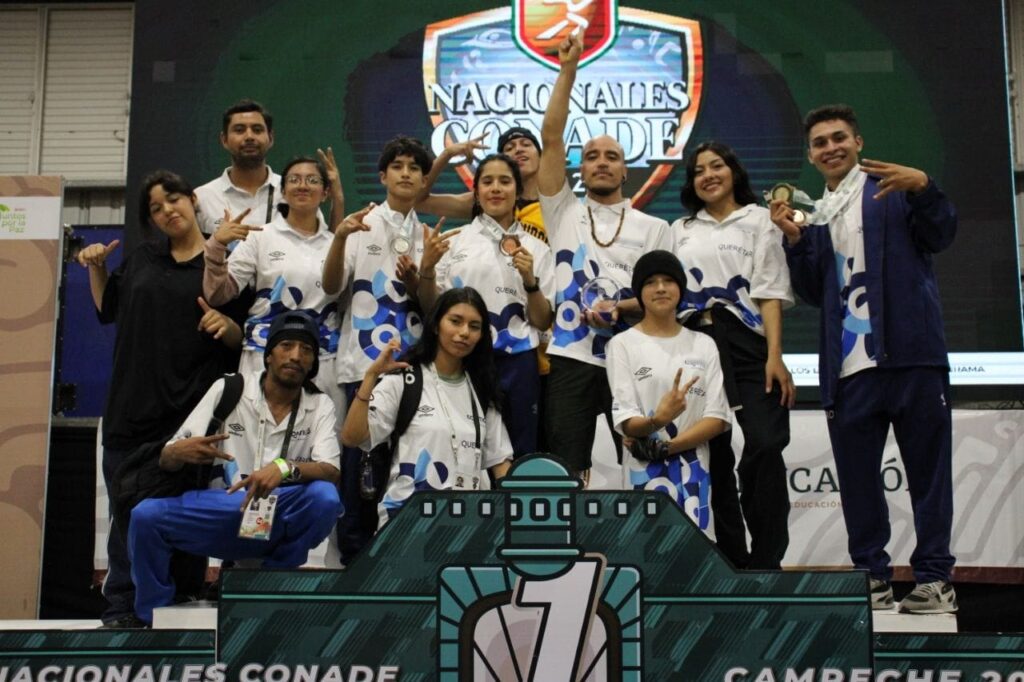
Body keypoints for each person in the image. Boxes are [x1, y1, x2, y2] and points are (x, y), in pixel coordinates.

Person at [770, 104, 957, 613]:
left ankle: (935, 578)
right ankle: (871, 576)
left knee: (928, 475)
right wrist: (795, 242)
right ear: (811, 155)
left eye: (839, 138)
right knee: (857, 483)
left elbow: (942, 235)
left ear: (858, 142)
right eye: (820, 143)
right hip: (849, 368)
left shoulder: (892, 191)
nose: (830, 148)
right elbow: (815, 292)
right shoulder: (817, 213)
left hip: (912, 358)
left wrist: (925, 188)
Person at [77, 170, 245, 627]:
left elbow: (241, 338)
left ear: (193, 200)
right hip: (130, 412)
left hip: (189, 419)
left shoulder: (223, 263)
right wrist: (96, 266)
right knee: (127, 516)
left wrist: (228, 327)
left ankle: (179, 610)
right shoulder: (142, 259)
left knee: (184, 518)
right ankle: (122, 612)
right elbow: (107, 309)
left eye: (173, 199)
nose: (168, 210)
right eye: (155, 207)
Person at [128, 312, 342, 625]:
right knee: (145, 516)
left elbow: (331, 470)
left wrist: (283, 467)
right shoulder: (230, 388)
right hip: (223, 509)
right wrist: (176, 452)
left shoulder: (319, 404)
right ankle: (152, 615)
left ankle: (269, 583)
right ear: (268, 355)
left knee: (325, 497)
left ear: (313, 363)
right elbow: (169, 456)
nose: (296, 356)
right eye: (286, 346)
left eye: (306, 350)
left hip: (277, 513)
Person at [536, 31, 672, 482]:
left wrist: (622, 307)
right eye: (591, 156)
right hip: (571, 356)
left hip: (633, 355)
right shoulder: (562, 211)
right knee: (566, 470)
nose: (601, 162)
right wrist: (568, 70)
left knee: (644, 464)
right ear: (580, 169)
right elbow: (550, 137)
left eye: (611, 156)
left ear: (625, 170)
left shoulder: (654, 228)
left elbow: (664, 298)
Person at [675, 141, 796, 570]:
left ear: (734, 172)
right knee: (715, 456)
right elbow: (663, 289)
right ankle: (731, 560)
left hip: (749, 343)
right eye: (699, 170)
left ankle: (767, 560)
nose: (708, 175)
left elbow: (770, 290)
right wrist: (618, 307)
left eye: (717, 166)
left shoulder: (760, 219)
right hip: (695, 343)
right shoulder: (680, 229)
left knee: (765, 443)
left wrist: (774, 355)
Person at [321, 135, 433, 562]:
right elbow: (331, 287)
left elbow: (435, 309)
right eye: (397, 166)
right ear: (383, 175)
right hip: (363, 366)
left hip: (414, 372)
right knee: (359, 474)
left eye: (414, 168)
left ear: (424, 181)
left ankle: (397, 559)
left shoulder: (430, 236)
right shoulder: (360, 225)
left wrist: (418, 282)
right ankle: (354, 562)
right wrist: (338, 238)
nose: (406, 173)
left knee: (403, 468)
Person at [418, 153, 555, 456]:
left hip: (519, 363)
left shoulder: (538, 249)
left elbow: (542, 321)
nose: (496, 188)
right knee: (463, 449)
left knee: (521, 453)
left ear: (518, 191)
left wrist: (530, 281)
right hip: (463, 358)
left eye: (505, 181)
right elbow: (430, 308)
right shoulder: (453, 242)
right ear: (476, 192)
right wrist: (426, 269)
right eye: (488, 181)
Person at [341, 288, 513, 526]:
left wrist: (512, 514)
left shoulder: (483, 390)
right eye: (455, 321)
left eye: (474, 326)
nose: (464, 332)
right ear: (435, 326)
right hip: (406, 519)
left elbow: (499, 461)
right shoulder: (405, 379)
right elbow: (352, 437)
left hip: (469, 522)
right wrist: (371, 376)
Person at [203, 155, 345, 420]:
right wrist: (216, 247)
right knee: (252, 437)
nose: (302, 185)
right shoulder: (260, 237)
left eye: (312, 180)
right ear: (283, 191)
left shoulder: (337, 244)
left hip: (323, 359)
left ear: (325, 193)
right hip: (263, 356)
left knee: (321, 441)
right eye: (294, 179)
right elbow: (218, 294)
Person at [606, 251, 729, 534]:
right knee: (645, 549)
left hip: (694, 474)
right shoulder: (622, 344)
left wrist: (667, 448)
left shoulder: (704, 344)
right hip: (642, 472)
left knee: (694, 551)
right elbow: (627, 422)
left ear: (680, 289)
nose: (660, 288)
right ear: (639, 293)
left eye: (668, 281)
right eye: (650, 282)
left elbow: (717, 418)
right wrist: (658, 420)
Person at [194, 99, 343, 236]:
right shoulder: (203, 198)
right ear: (224, 140)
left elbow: (324, 246)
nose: (249, 136)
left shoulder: (295, 191)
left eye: (257, 130)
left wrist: (338, 198)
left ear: (271, 138)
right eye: (239, 130)